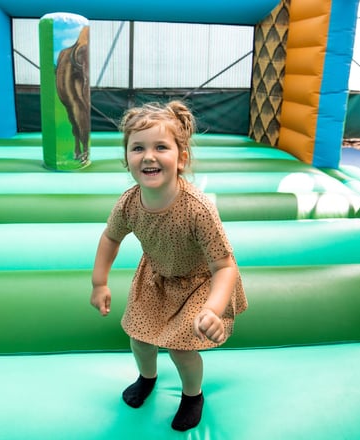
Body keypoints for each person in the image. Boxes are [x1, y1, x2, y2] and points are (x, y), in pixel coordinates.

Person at [90, 100, 248, 431]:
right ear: (127, 159)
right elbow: (110, 238)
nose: (148, 156)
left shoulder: (197, 209)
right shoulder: (129, 203)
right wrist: (99, 283)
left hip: (198, 284)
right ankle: (147, 377)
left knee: (181, 350)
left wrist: (213, 310)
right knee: (140, 339)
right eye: (138, 148)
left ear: (181, 158)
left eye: (161, 146)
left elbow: (225, 266)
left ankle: (193, 395)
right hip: (156, 278)